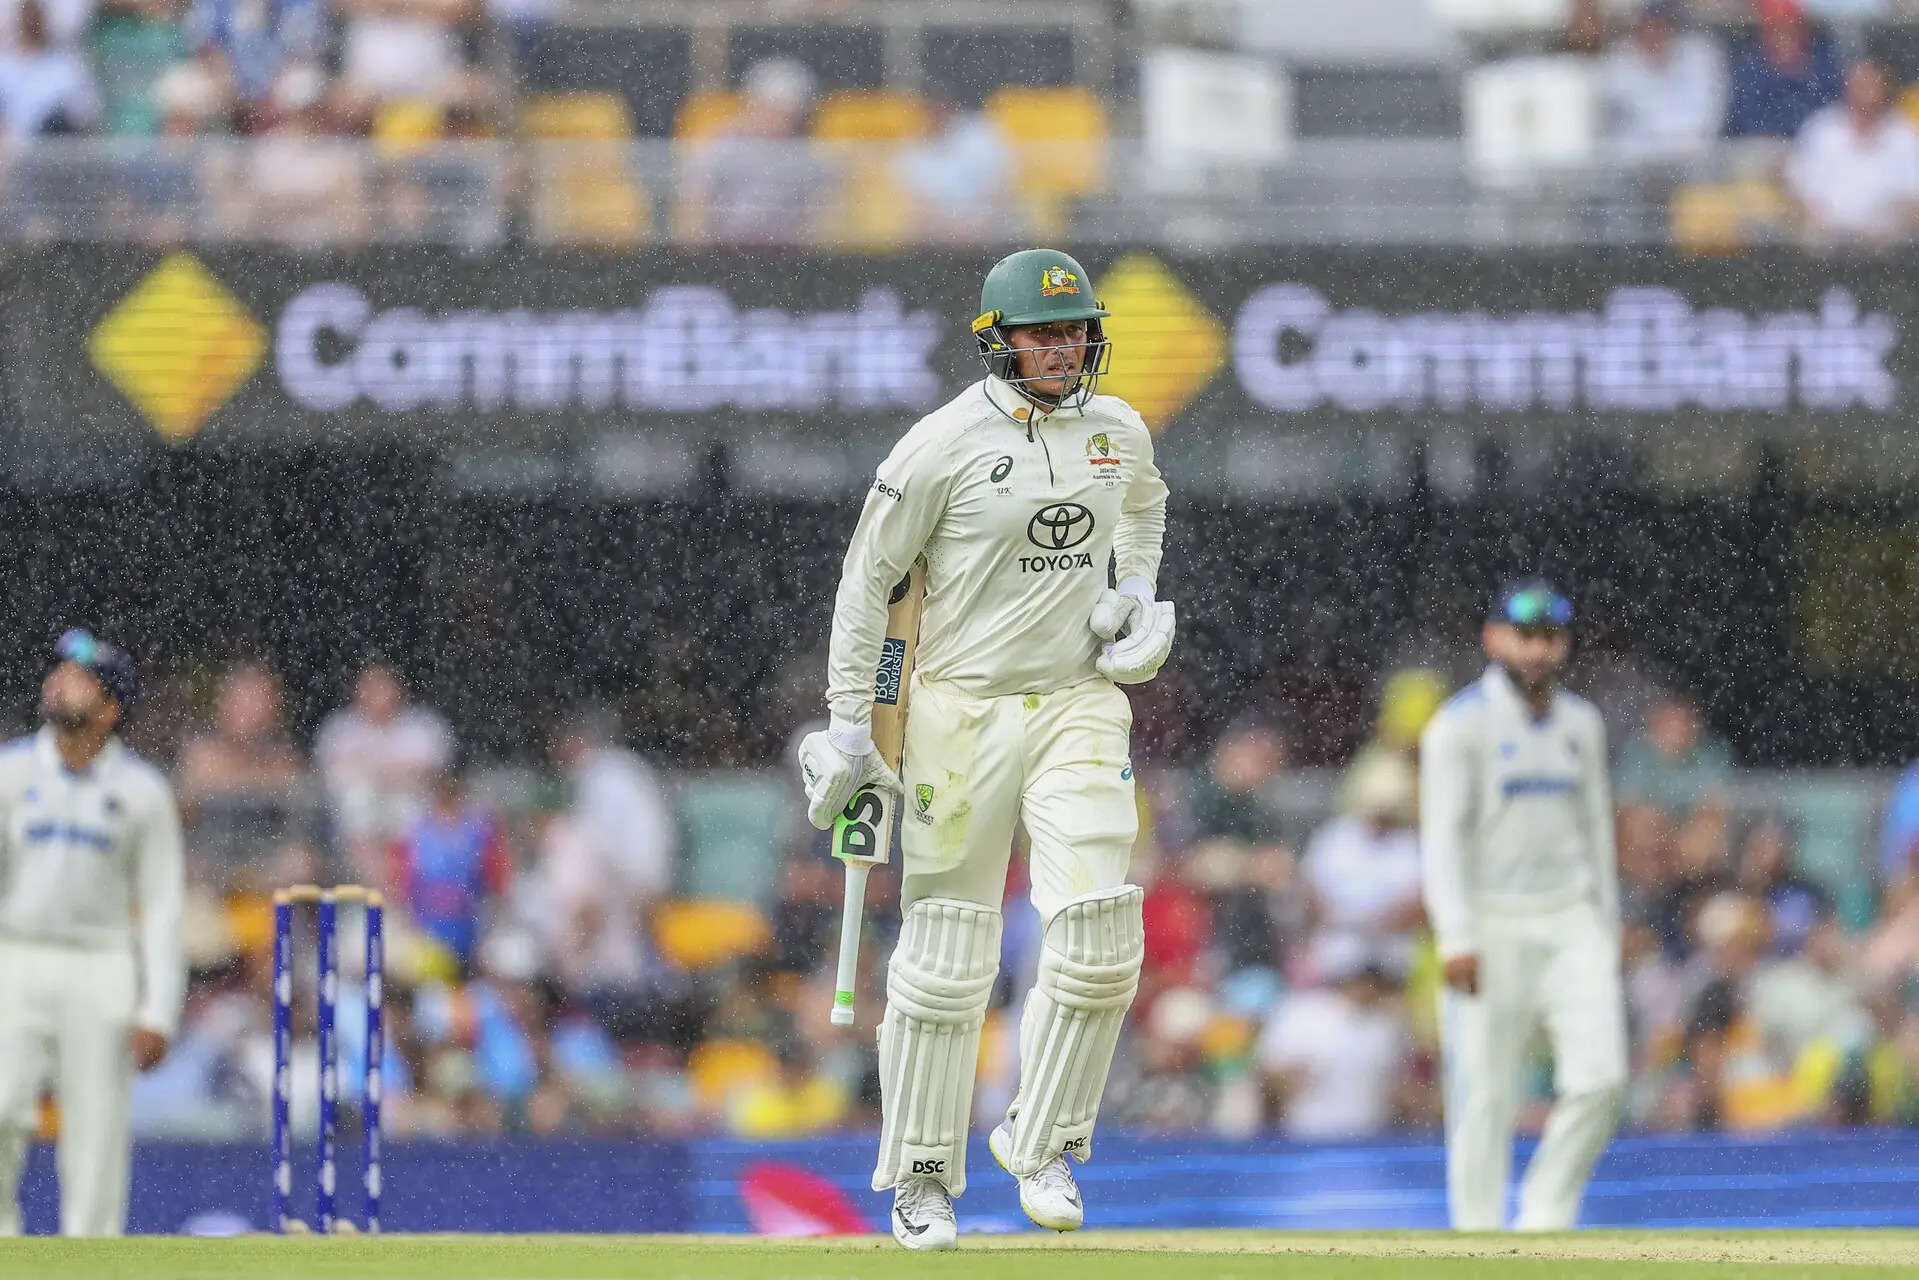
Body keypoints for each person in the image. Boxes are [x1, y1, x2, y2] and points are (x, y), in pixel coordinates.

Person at [796, 248, 1172, 1250]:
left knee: (1097, 929)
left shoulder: (1116, 429)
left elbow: (1143, 505)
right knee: (946, 955)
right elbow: (866, 581)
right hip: (956, 710)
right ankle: (920, 1174)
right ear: (996, 339)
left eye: (1074, 330)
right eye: (1041, 333)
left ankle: (1041, 1137)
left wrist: (1132, 590)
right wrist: (846, 722)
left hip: (1076, 701)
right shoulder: (938, 445)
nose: (1062, 348)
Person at [1420, 580, 1625, 1232]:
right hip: (1487, 919)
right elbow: (1441, 839)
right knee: (1483, 1092)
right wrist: (1454, 934)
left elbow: (1595, 830)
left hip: (1570, 918)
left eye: (1548, 638)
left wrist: (1606, 927)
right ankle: (1476, 1236)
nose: (1536, 651)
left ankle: (1545, 1214)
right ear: (1494, 638)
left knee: (1601, 1077)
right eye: (1524, 636)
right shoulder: (1459, 726)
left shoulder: (1580, 724)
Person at [0, 630, 184, 1235]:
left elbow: (161, 905)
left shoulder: (142, 793)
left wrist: (159, 1008)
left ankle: (90, 1261)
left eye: (79, 678)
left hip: (102, 964)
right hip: (15, 955)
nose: (59, 681)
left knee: (97, 1130)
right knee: (1, 1108)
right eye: (58, 672)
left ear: (110, 709)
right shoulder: (11, 772)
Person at [1785, 58, 1919, 250]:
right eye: (1860, 85)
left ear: (1885, 89)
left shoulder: (1903, 136)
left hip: (1887, 247)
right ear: (1848, 88)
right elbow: (1796, 190)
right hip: (1826, 245)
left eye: (1873, 85)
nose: (1866, 93)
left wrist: (1892, 225)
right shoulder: (1822, 130)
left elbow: (1914, 199)